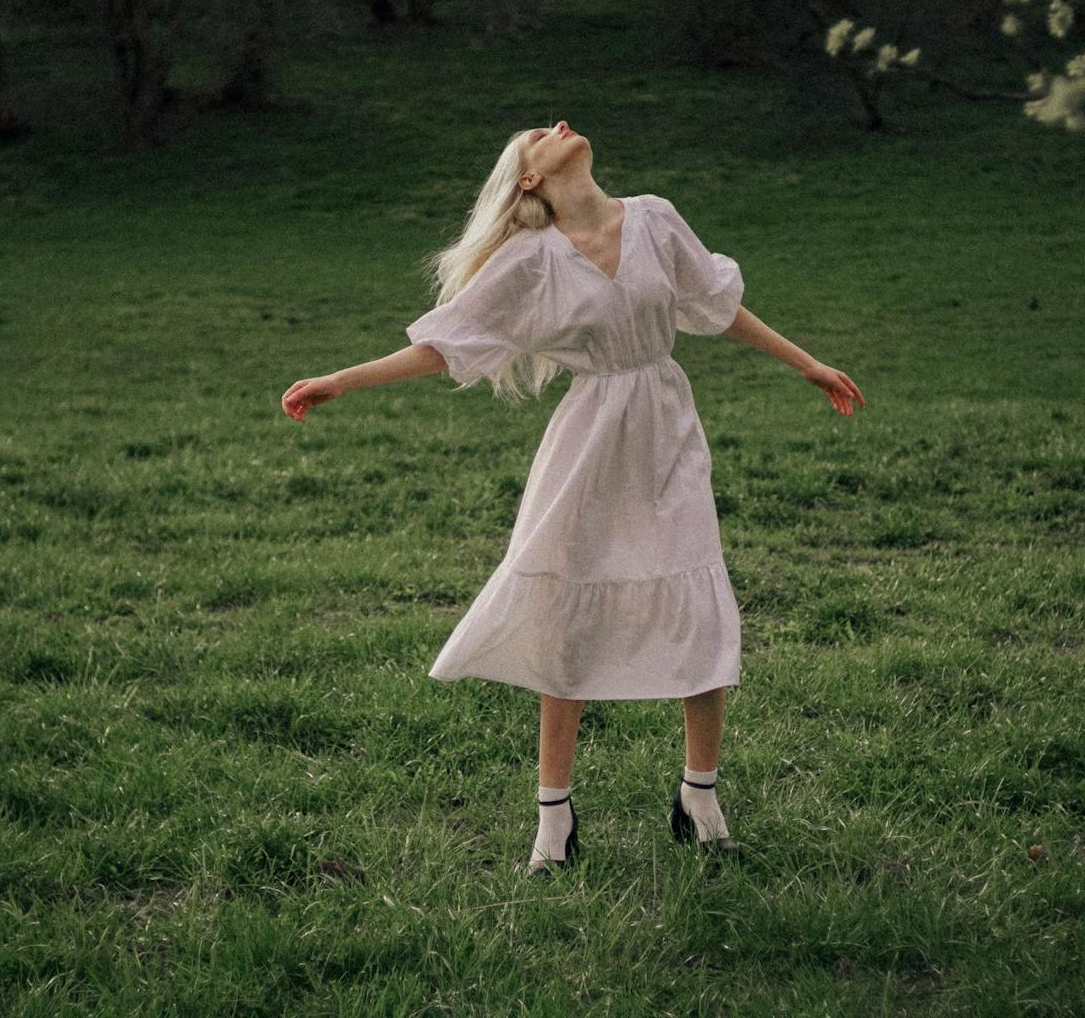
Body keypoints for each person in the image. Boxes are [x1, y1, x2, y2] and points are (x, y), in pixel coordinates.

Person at [281, 120, 865, 877]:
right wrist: (340, 379)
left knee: (698, 602)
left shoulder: (654, 217)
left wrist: (810, 364)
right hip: (589, 444)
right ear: (529, 179)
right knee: (567, 622)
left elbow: (717, 307)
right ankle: (552, 823)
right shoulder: (530, 261)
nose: (558, 125)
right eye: (537, 134)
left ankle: (701, 798)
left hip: (666, 428)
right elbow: (449, 343)